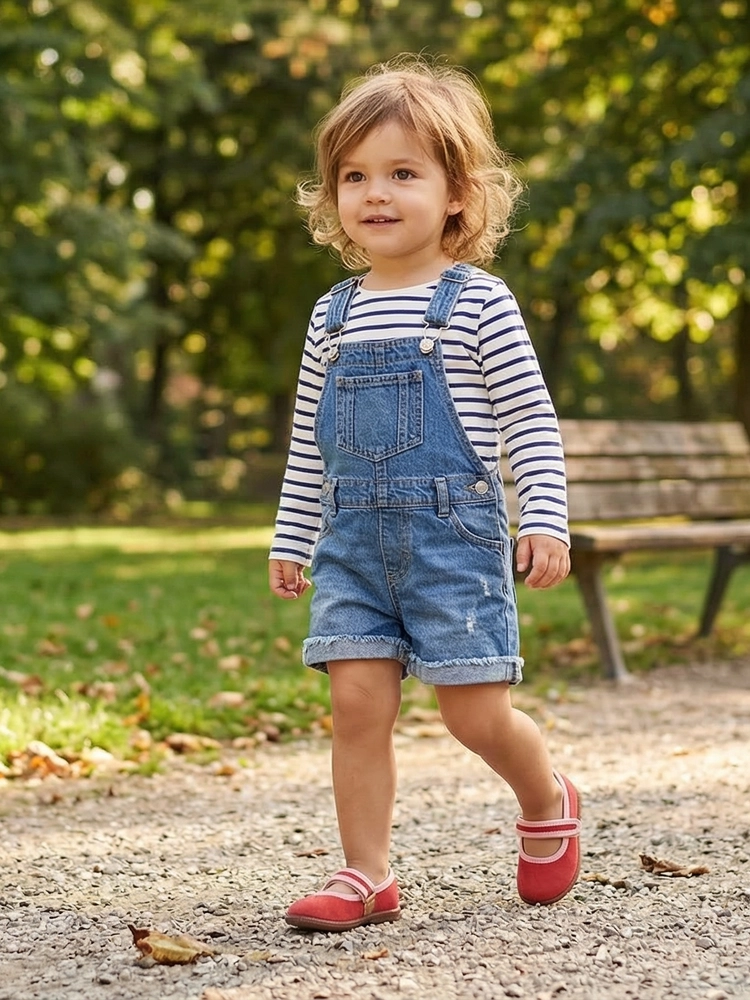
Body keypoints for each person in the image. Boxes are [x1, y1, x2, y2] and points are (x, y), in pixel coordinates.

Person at [268, 55, 580, 932]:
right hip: (353, 547)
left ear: (456, 193)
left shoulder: (477, 303)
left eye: (403, 173)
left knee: (474, 715)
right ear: (332, 198)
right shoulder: (331, 315)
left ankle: (547, 797)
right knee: (356, 701)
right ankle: (364, 872)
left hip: (453, 542)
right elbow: (307, 446)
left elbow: (530, 422)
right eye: (355, 176)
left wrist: (546, 519)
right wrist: (292, 537)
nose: (376, 193)